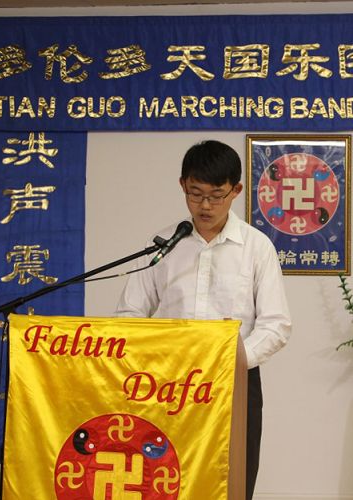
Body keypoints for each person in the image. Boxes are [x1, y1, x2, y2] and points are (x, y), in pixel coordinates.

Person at [115, 139, 292, 500]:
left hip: (235, 382)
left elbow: (276, 324)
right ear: (183, 186)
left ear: (236, 190)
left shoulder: (257, 248)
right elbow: (130, 314)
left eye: (217, 195)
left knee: (233, 479)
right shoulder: (164, 243)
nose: (206, 206)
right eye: (196, 195)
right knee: (166, 476)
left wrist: (234, 358)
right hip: (168, 383)